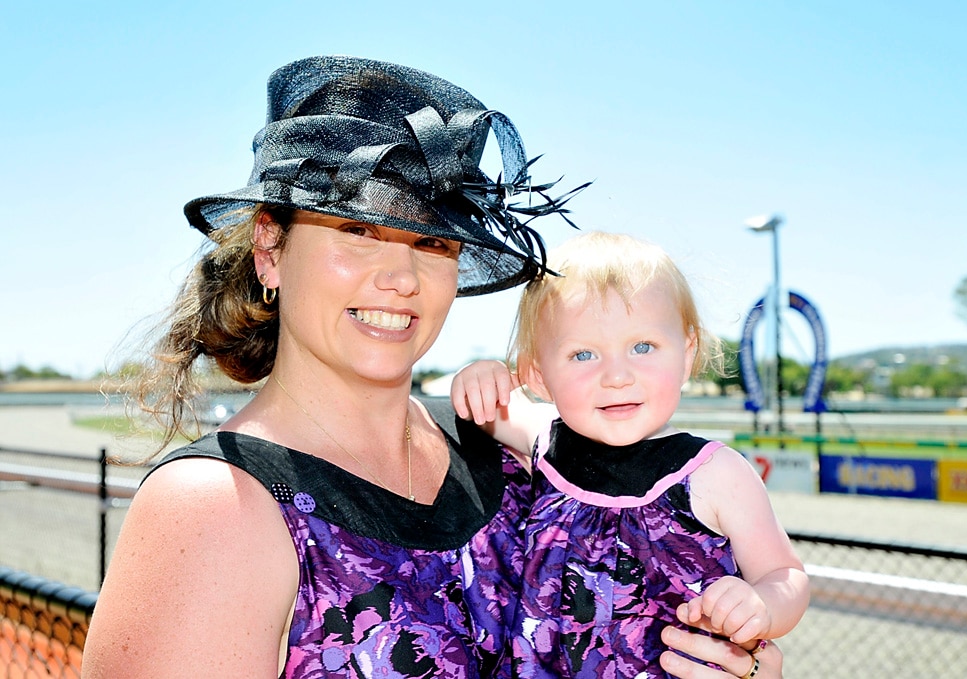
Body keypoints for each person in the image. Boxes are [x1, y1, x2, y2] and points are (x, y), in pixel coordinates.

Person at [81, 56, 786, 679]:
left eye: (431, 242)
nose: (400, 277)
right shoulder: (218, 507)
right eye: (357, 230)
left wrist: (732, 656)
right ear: (270, 249)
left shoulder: (507, 446)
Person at [452, 231, 809, 677]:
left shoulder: (716, 472)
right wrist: (478, 374)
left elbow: (785, 575)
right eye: (583, 354)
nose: (617, 376)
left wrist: (762, 604)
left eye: (643, 347)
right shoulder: (547, 438)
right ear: (539, 376)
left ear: (687, 353)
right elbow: (485, 407)